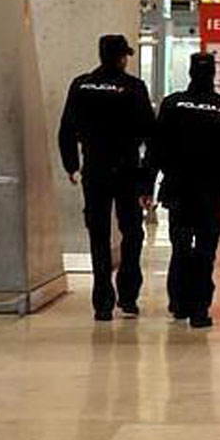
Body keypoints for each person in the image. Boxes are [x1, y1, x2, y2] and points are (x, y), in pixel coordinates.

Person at [58, 34, 156, 321]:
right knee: (132, 232)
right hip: (127, 169)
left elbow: (66, 130)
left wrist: (71, 165)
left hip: (95, 169)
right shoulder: (134, 88)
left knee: (98, 235)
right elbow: (151, 136)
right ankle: (128, 295)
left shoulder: (81, 85)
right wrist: (148, 178)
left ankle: (102, 301)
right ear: (122, 57)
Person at [151, 53, 220, 328]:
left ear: (191, 73)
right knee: (206, 250)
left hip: (178, 188)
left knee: (180, 246)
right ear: (214, 73)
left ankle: (179, 303)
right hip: (211, 191)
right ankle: (200, 310)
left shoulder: (173, 104)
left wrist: (147, 184)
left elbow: (157, 148)